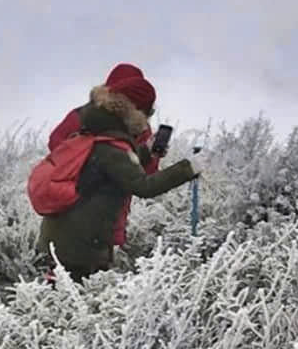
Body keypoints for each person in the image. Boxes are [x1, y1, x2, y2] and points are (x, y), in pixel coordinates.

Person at [33, 66, 197, 281]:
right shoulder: (111, 147)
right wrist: (189, 168)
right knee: (75, 305)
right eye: (147, 113)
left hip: (58, 236)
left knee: (54, 299)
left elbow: (110, 165)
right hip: (81, 247)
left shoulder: (90, 133)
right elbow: (144, 186)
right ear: (135, 112)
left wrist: (146, 153)